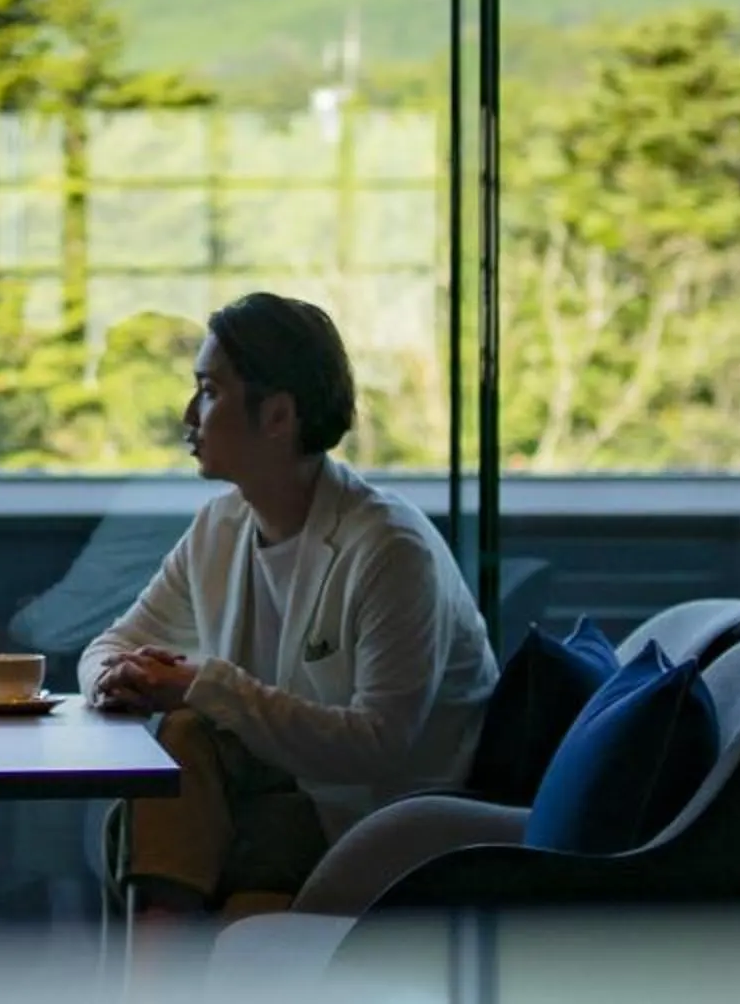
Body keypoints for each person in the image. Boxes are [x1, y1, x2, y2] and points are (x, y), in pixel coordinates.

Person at [82, 293, 495, 919]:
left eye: (209, 392)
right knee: (184, 744)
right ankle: (165, 962)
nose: (189, 414)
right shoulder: (220, 527)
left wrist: (204, 685)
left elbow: (379, 744)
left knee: (194, 773)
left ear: (277, 416)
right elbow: (107, 647)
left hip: (383, 826)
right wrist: (116, 680)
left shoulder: (389, 547)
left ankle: (157, 963)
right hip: (277, 798)